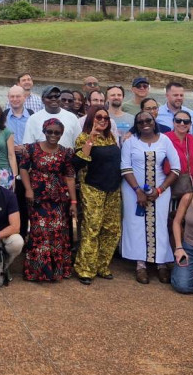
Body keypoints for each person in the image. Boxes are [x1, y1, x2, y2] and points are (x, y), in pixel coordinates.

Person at [121, 111, 180, 284]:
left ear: (154, 122)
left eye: (148, 120)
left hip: (161, 191)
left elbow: (176, 168)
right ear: (136, 125)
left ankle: (161, 263)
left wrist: (160, 190)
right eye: (140, 122)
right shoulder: (130, 143)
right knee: (136, 224)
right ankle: (141, 265)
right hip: (133, 191)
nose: (145, 123)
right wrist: (138, 190)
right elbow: (125, 167)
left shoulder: (165, 140)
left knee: (160, 225)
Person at [20, 119, 77, 282]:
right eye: (49, 131)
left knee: (58, 234)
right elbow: (23, 169)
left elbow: (70, 177)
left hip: (58, 200)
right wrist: (28, 189)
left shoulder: (66, 152)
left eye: (57, 132)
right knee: (40, 233)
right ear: (44, 131)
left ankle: (56, 271)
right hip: (37, 198)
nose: (53, 135)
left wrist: (73, 202)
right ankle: (37, 272)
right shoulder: (32, 148)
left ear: (61, 133)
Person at [72, 108, 122, 285]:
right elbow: (77, 163)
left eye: (106, 118)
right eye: (98, 117)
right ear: (91, 119)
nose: (102, 120)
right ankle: (85, 268)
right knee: (92, 228)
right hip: (93, 188)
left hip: (113, 190)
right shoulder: (83, 137)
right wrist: (91, 139)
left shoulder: (111, 138)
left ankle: (102, 265)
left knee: (112, 229)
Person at [5, 85, 33, 238]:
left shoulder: (32, 116)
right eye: (12, 96)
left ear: (24, 98)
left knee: (26, 199)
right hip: (8, 162)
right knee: (10, 198)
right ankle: (8, 234)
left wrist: (26, 148)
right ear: (8, 98)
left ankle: (23, 235)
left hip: (28, 162)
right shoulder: (2, 116)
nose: (15, 99)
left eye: (18, 96)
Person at [165, 110, 193, 221]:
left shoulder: (191, 139)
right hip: (171, 184)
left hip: (189, 185)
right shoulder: (165, 138)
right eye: (178, 120)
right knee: (172, 218)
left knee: (187, 219)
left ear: (190, 124)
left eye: (186, 121)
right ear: (173, 122)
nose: (182, 124)